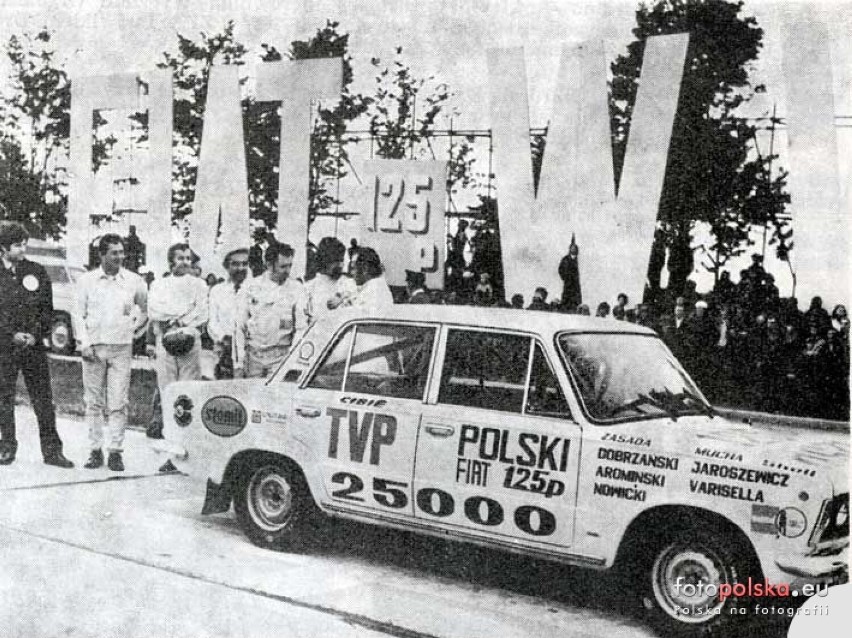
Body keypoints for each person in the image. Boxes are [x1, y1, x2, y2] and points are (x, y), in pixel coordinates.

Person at [0, 222, 73, 468]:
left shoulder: (37, 271)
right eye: (17, 245)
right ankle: (7, 446)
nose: (22, 250)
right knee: (4, 398)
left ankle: (52, 451)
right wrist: (10, 334)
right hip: (5, 348)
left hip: (33, 347)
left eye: (24, 244)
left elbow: (46, 310)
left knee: (43, 399)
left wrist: (34, 334)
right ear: (3, 247)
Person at [75, 234, 148, 471]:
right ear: (102, 255)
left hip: (121, 348)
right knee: (93, 402)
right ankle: (95, 450)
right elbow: (78, 313)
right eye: (114, 252)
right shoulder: (87, 280)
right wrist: (84, 343)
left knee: (118, 402)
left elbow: (146, 309)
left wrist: (135, 328)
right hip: (94, 348)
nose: (119, 257)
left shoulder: (134, 281)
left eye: (121, 252)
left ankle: (115, 451)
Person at [148, 243, 209, 470]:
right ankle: (170, 453)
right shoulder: (159, 284)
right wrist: (178, 316)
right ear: (171, 261)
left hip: (189, 341)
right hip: (165, 341)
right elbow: (154, 310)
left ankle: (187, 452)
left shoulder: (199, 285)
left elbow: (202, 312)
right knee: (167, 394)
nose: (185, 262)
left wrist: (181, 322)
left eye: (187, 258)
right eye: (180, 258)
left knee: (188, 396)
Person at [234, 243, 307, 378]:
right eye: (283, 266)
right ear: (269, 265)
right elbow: (239, 327)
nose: (287, 271)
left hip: (280, 357)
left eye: (290, 265)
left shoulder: (297, 289)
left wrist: (292, 361)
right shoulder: (250, 287)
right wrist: (238, 364)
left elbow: (301, 328)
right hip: (253, 358)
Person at [207, 248, 250, 380]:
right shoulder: (217, 291)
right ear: (227, 266)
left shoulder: (254, 289)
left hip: (250, 351)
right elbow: (212, 321)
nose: (240, 268)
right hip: (225, 349)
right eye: (235, 264)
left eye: (244, 264)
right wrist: (222, 337)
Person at [303, 237, 358, 324]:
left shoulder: (349, 283)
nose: (341, 265)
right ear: (325, 261)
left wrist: (343, 299)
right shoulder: (309, 288)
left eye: (342, 260)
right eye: (336, 261)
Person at [349, 246, 395, 311]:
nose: (351, 273)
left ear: (365, 268)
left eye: (353, 268)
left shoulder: (374, 288)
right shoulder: (375, 286)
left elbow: (357, 314)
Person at [558, 234, 582, 311]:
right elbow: (560, 269)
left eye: (575, 248)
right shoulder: (565, 259)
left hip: (575, 284)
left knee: (575, 300)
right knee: (566, 298)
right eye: (572, 248)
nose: (573, 250)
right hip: (568, 283)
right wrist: (565, 277)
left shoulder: (578, 260)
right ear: (570, 249)